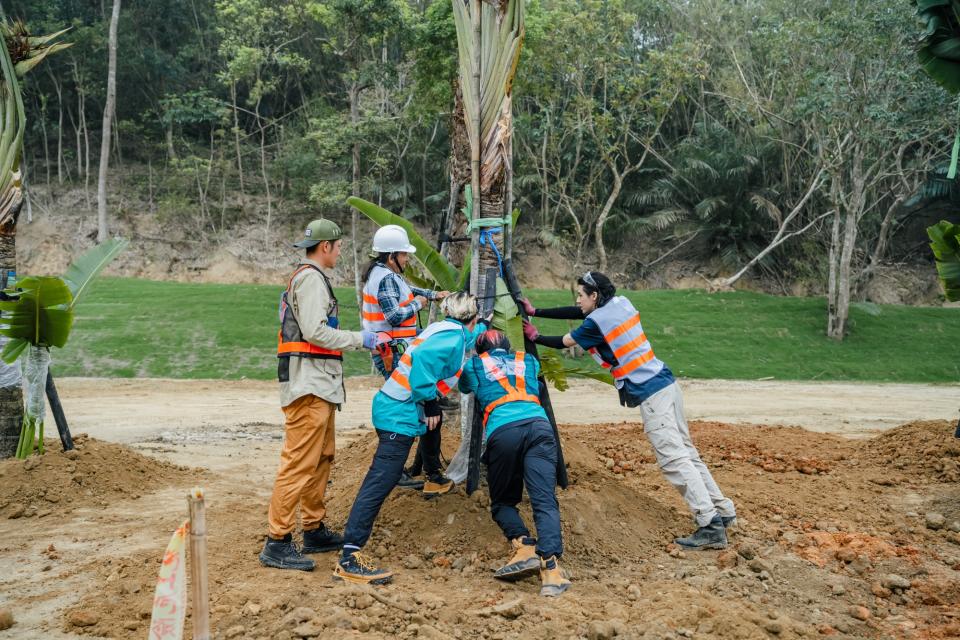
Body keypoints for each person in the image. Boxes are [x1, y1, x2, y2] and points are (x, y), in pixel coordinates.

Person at [522, 271, 736, 550]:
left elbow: (564, 342)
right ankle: (723, 510)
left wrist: (535, 336)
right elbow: (579, 311)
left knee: (673, 460)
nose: (577, 300)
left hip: (651, 393)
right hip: (666, 383)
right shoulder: (620, 303)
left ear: (595, 296)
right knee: (687, 453)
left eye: (581, 294)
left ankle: (709, 524)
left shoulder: (596, 322)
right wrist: (535, 310)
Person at [259, 219, 388, 572]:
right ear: (326, 246)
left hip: (319, 385)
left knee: (321, 459)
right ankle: (277, 541)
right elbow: (316, 332)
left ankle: (313, 529)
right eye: (339, 245)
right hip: (309, 385)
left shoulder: (313, 279)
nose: (341, 250)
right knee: (299, 462)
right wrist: (362, 338)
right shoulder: (311, 280)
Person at [334, 293, 481, 584]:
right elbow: (425, 362)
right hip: (397, 413)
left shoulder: (447, 332)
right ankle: (350, 555)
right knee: (382, 478)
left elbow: (459, 373)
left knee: (427, 433)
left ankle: (433, 476)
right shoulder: (452, 338)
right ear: (473, 320)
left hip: (393, 407)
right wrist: (429, 402)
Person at [458, 329, 571, 597]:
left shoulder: (475, 364)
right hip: (540, 428)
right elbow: (537, 385)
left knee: (503, 503)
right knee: (545, 500)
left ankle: (523, 545)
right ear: (507, 347)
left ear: (480, 350)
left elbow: (464, 387)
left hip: (504, 432)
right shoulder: (527, 361)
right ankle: (551, 571)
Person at [360, 224, 452, 496]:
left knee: (418, 408)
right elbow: (394, 316)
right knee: (414, 410)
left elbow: (405, 287)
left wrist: (433, 295)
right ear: (392, 256)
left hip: (394, 350)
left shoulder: (383, 274)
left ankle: (417, 468)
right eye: (403, 255)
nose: (407, 259)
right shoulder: (386, 277)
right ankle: (414, 471)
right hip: (394, 352)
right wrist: (420, 305)